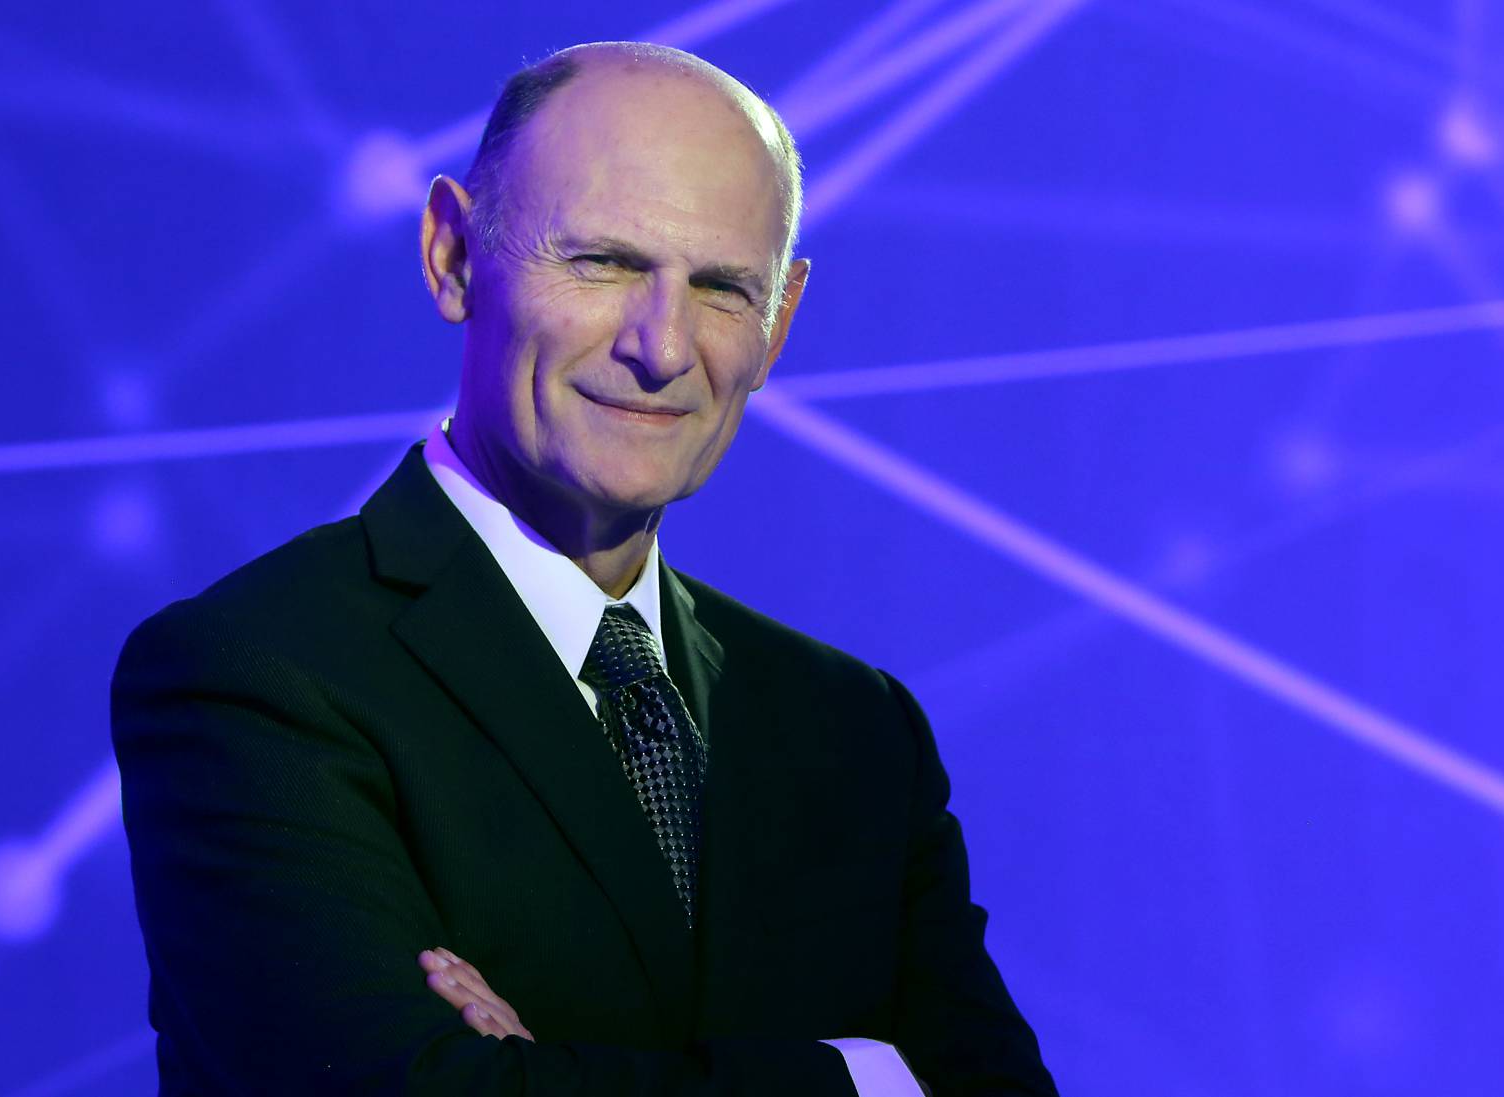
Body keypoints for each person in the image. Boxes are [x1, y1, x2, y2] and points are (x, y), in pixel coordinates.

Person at [111, 41, 1056, 1096]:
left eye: (720, 287)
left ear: (779, 322)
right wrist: (864, 1079)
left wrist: (538, 1076)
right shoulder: (258, 673)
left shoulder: (855, 727)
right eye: (604, 262)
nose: (662, 346)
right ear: (452, 255)